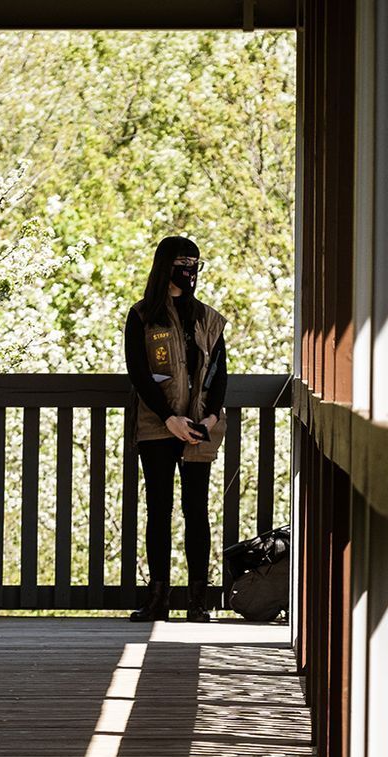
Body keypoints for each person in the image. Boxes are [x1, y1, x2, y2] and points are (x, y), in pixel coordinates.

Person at [125, 235, 228, 622]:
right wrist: (169, 417)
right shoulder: (142, 316)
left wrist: (210, 419)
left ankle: (198, 603)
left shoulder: (207, 318)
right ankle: (158, 599)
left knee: (196, 511)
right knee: (159, 510)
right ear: (165, 265)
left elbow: (220, 374)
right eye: (183, 263)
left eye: (195, 264)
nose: (190, 272)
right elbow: (139, 373)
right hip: (157, 424)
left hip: (201, 425)